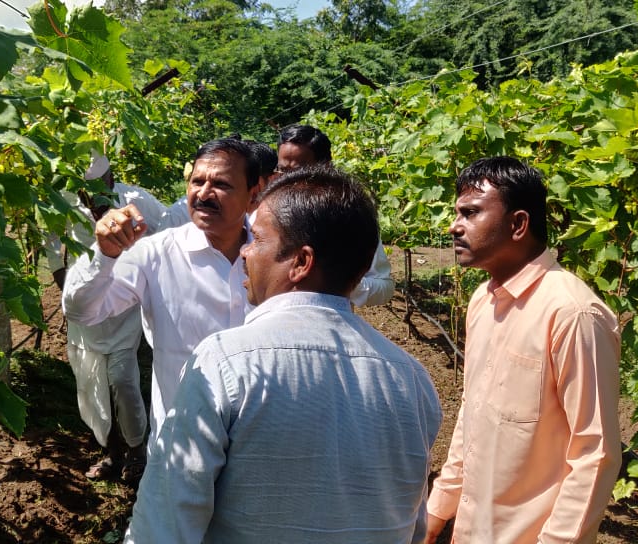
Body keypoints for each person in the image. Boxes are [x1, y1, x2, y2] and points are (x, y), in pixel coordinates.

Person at [124, 165, 442, 543]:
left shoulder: (226, 363)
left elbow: (163, 527)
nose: (244, 251)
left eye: (257, 239)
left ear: (301, 262)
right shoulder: (412, 380)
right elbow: (411, 524)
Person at [425, 157, 622, 543]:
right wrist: (440, 506)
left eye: (471, 213)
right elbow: (473, 413)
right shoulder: (483, 301)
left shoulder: (572, 314)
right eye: (457, 213)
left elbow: (594, 451)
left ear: (518, 224)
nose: (455, 226)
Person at [61, 138, 259, 438]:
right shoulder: (155, 254)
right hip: (180, 443)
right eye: (197, 181)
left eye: (221, 184)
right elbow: (80, 310)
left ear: (253, 195)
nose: (204, 193)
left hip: (256, 439)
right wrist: (104, 255)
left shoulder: (278, 255)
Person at [45, 150, 169, 483]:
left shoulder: (135, 198)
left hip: (123, 311)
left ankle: (137, 451)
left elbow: (168, 229)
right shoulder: (66, 203)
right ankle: (112, 453)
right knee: (92, 384)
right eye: (88, 192)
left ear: (112, 180)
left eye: (102, 188)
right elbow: (52, 242)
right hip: (86, 312)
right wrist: (68, 290)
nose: (95, 199)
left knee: (122, 381)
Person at [274, 124, 394, 306]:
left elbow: (385, 287)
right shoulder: (265, 215)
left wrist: (339, 283)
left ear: (325, 168)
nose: (289, 180)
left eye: (299, 172)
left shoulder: (348, 219)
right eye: (283, 171)